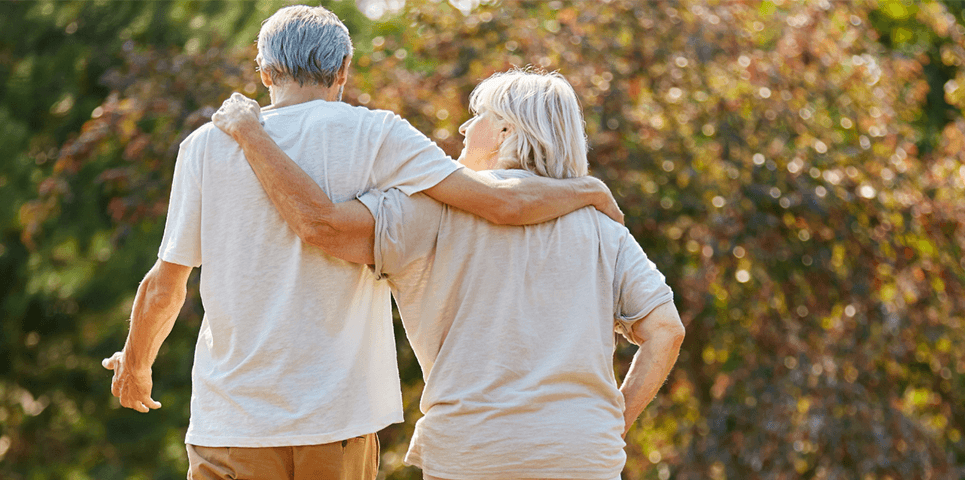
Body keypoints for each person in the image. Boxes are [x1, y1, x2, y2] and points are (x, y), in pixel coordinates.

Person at [101, 6, 622, 480]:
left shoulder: (205, 145)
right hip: (339, 422)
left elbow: (165, 284)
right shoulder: (378, 135)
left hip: (232, 423)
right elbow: (500, 202)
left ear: (263, 72)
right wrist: (588, 188)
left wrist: (137, 361)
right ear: (344, 67)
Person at [212, 68, 685, 480]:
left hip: (472, 451)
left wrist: (253, 136)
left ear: (504, 130)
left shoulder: (429, 211)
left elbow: (323, 226)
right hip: (582, 454)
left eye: (476, 116)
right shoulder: (605, 228)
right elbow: (665, 330)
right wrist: (608, 422)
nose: (464, 126)